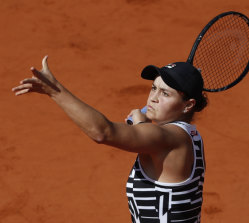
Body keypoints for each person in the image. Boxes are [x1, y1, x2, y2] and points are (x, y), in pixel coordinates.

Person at [12, 55, 207, 223]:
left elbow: (102, 132)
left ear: (188, 105)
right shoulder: (190, 135)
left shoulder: (168, 138)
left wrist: (54, 90)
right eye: (153, 88)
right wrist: (143, 125)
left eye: (165, 93)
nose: (153, 98)